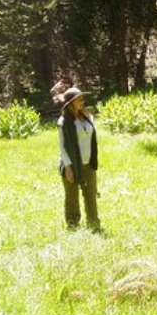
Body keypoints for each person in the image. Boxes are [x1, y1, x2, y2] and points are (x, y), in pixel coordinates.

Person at [57, 87, 101, 233]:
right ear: (71, 103)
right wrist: (68, 167)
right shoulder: (63, 122)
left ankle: (94, 224)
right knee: (72, 197)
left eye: (82, 98)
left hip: (88, 163)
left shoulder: (86, 117)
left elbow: (90, 134)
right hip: (72, 165)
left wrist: (89, 117)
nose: (83, 101)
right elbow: (62, 147)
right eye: (79, 99)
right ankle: (72, 225)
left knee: (91, 195)